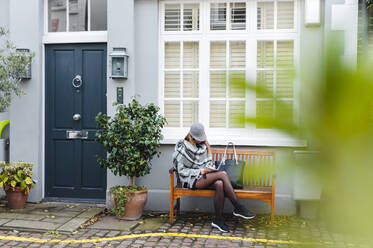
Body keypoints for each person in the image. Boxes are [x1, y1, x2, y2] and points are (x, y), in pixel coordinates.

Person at [172, 122, 256, 233]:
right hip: (190, 180)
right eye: (199, 138)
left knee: (219, 184)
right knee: (223, 174)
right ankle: (238, 206)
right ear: (192, 137)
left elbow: (206, 163)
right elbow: (181, 171)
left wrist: (210, 167)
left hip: (203, 177)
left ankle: (218, 220)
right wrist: (200, 171)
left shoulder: (203, 146)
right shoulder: (183, 149)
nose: (202, 140)